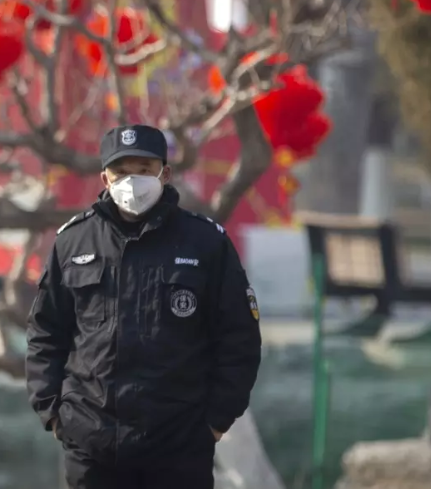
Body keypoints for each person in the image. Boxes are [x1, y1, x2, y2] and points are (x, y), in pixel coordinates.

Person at [26, 124, 262, 489]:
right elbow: (45, 333)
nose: (131, 182)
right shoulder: (73, 242)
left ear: (164, 174)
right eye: (121, 172)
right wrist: (55, 414)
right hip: (92, 446)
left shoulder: (205, 244)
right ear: (105, 178)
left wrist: (215, 421)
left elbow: (239, 338)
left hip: (180, 447)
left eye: (143, 170)